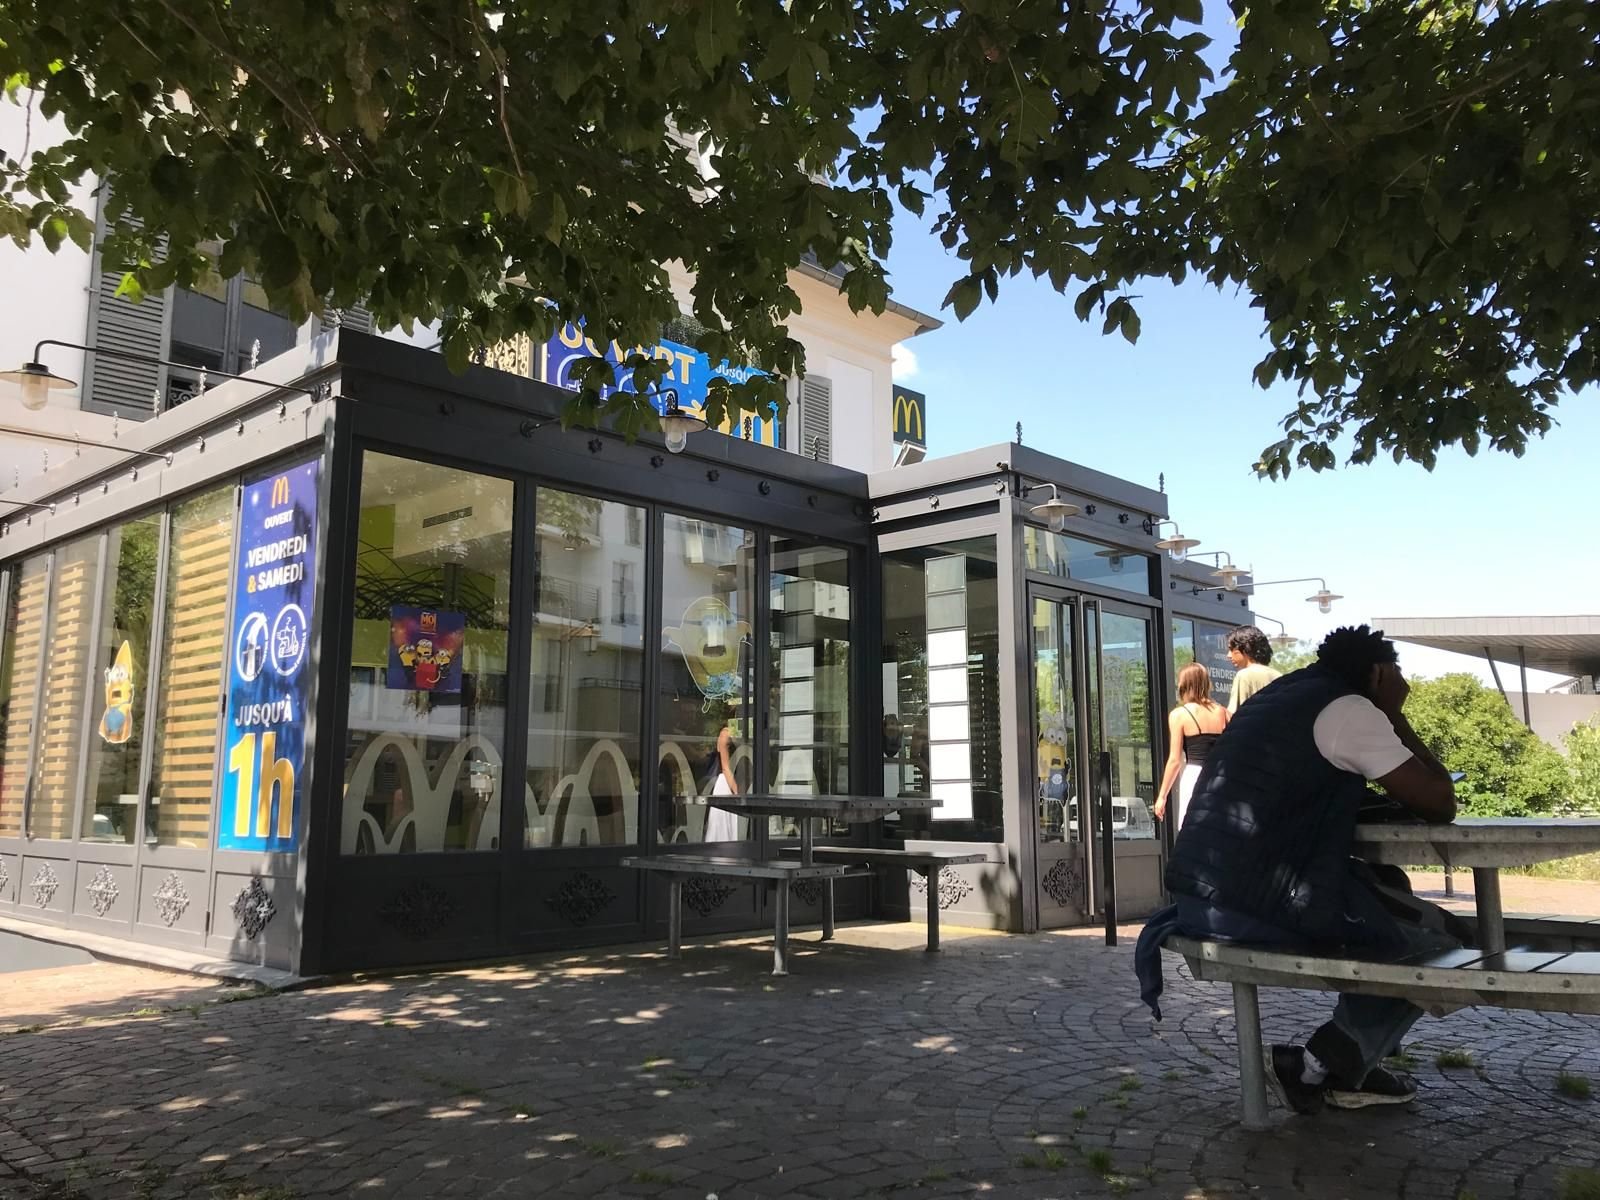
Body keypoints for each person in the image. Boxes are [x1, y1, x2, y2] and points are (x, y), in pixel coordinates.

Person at [1135, 626, 1458, 1114]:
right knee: (1440, 941)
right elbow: (1439, 802)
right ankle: (1318, 1068)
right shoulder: (1350, 709)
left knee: (1392, 894)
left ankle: (1355, 1058)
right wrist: (1394, 713)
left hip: (1200, 891)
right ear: (1378, 672)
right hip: (1251, 899)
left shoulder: (1284, 694)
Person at [1153, 663, 1228, 829]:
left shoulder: (1180, 715)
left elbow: (1175, 760)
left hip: (1195, 775)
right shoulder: (1224, 712)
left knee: (1192, 828)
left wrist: (1162, 795)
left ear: (1184, 685)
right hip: (1221, 776)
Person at [1226, 625, 1281, 713]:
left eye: (1231, 649)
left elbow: (1232, 715)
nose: (1228, 655)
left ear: (1245, 649)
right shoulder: (1278, 675)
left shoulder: (1244, 675)